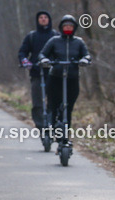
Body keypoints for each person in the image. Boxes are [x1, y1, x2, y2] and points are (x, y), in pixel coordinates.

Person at [38, 14, 91, 144]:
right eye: (65, 26)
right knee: (54, 105)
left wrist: (84, 60)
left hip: (72, 78)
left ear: (74, 28)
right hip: (55, 77)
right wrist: (45, 60)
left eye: (70, 26)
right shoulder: (54, 41)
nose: (68, 28)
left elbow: (87, 55)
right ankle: (52, 126)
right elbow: (42, 54)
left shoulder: (79, 42)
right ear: (61, 27)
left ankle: (64, 134)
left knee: (68, 107)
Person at [17, 12, 58, 137]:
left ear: (49, 20)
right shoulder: (32, 36)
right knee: (37, 103)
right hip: (36, 73)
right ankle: (41, 127)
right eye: (41, 17)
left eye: (46, 17)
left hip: (54, 74)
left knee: (54, 102)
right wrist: (26, 62)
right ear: (38, 20)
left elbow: (62, 51)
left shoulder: (56, 36)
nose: (43, 19)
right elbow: (22, 52)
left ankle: (53, 125)